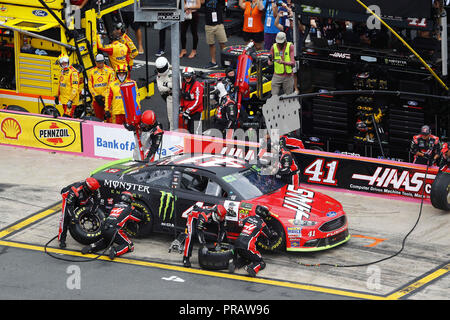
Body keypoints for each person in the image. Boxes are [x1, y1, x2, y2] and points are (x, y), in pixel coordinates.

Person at [81, 191, 144, 259]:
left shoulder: (115, 205)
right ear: (129, 199)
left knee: (107, 242)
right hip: (114, 230)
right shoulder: (130, 208)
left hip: (104, 228)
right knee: (130, 246)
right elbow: (139, 218)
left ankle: (92, 247)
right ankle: (115, 251)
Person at [228, 205, 277, 277]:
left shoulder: (248, 218)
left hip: (237, 243)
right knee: (261, 262)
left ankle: (234, 264)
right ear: (264, 213)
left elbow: (240, 224)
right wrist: (274, 233)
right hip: (247, 246)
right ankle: (252, 269)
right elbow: (269, 236)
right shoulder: (262, 224)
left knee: (247, 258)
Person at [58, 177, 101, 249]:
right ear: (87, 188)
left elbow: (97, 200)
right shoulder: (75, 190)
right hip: (68, 197)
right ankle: (62, 239)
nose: (95, 191)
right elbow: (70, 205)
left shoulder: (95, 188)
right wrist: (73, 216)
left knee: (90, 206)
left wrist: (93, 210)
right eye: (93, 190)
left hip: (82, 196)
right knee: (65, 218)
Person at [201, 0, 228, 69]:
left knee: (222, 44)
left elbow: (224, 3)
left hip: (219, 24)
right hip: (209, 24)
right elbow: (201, 2)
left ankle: (225, 61)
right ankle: (213, 62)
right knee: (211, 44)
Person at [87, 53, 115, 120]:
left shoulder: (110, 71)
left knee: (109, 118)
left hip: (107, 99)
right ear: (96, 62)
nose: (100, 64)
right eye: (98, 63)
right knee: (99, 119)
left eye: (102, 62)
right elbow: (90, 86)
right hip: (96, 100)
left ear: (104, 61)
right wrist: (96, 96)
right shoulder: (91, 72)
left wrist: (103, 95)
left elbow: (110, 85)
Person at [268, 31, 295, 96]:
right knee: (274, 97)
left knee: (288, 98)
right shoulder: (273, 47)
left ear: (285, 40)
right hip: (277, 75)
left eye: (281, 43)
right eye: (278, 43)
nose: (279, 44)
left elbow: (293, 62)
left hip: (288, 76)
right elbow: (269, 63)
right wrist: (271, 61)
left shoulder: (290, 46)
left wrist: (283, 62)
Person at [179, 67, 204, 134]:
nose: (187, 79)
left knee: (196, 132)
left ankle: (197, 144)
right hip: (187, 113)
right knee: (187, 131)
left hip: (196, 113)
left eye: (188, 77)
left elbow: (198, 101)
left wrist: (188, 110)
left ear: (193, 76)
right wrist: (181, 106)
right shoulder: (184, 84)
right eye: (185, 77)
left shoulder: (197, 86)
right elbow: (182, 96)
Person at [55, 53, 80, 118]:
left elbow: (75, 88)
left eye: (65, 63)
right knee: (68, 119)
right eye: (62, 64)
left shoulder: (73, 72)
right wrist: (57, 96)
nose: (64, 65)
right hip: (64, 100)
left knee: (67, 118)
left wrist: (70, 100)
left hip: (71, 101)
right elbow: (60, 85)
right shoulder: (62, 71)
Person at [155, 56, 174, 130]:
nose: (161, 70)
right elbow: (160, 88)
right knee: (171, 118)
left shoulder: (173, 70)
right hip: (169, 97)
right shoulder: (158, 75)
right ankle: (172, 133)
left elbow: (177, 85)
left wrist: (166, 84)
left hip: (179, 96)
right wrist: (170, 85)